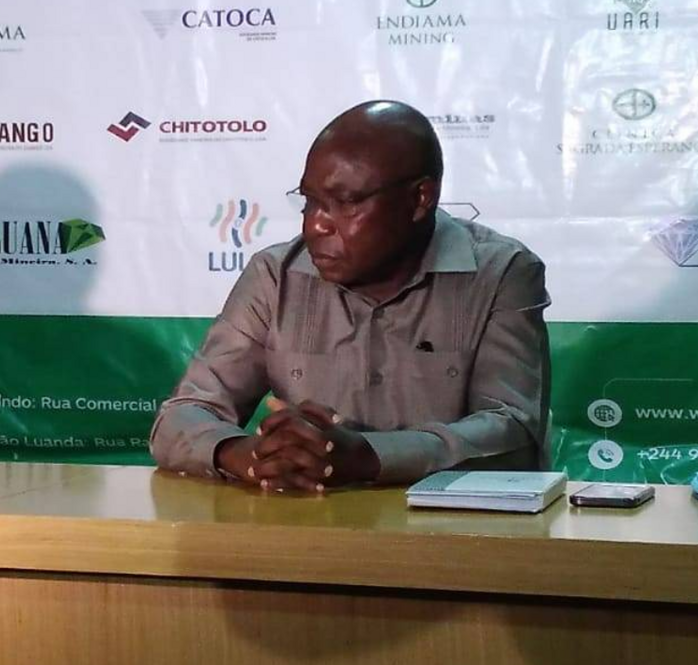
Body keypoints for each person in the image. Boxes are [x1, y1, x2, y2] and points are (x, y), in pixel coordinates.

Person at [151, 101, 550, 492]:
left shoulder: (502, 273)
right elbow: (182, 415)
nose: (315, 225)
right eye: (309, 201)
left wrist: (368, 457)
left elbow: (513, 431)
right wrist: (254, 458)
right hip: (311, 526)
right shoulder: (274, 275)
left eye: (344, 203)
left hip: (452, 529)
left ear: (420, 199)